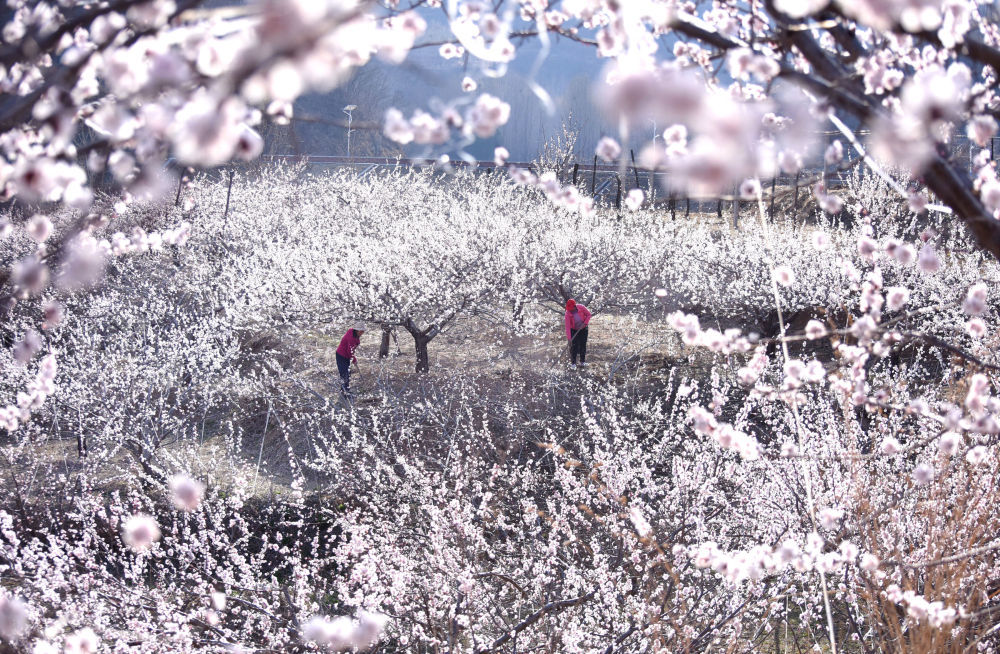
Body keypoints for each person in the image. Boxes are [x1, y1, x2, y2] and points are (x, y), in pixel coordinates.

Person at [336, 323, 365, 396]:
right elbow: (350, 351)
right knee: (344, 373)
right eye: (361, 331)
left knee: (348, 373)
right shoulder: (351, 337)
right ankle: (344, 392)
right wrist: (354, 359)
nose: (362, 333)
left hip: (347, 356)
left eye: (363, 331)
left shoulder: (353, 333)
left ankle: (346, 389)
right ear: (357, 330)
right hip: (341, 356)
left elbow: (351, 349)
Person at [564, 299, 591, 366]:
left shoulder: (581, 307)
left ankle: (582, 362)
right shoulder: (567, 313)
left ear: (574, 306)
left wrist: (585, 323)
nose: (570, 310)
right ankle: (573, 363)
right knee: (574, 346)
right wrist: (569, 338)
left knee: (583, 345)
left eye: (571, 308)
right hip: (574, 330)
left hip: (583, 329)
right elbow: (567, 326)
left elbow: (589, 315)